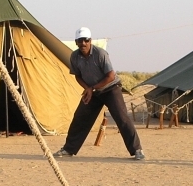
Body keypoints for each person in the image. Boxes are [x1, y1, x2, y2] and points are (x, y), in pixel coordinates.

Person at [53, 28, 145, 160]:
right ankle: (69, 149)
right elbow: (77, 76)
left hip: (110, 88)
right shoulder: (74, 56)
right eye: (80, 41)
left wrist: (92, 88)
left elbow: (111, 76)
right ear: (76, 42)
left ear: (90, 41)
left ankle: (137, 150)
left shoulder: (100, 54)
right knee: (80, 117)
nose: (83, 43)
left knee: (122, 118)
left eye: (86, 40)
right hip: (93, 91)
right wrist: (88, 89)